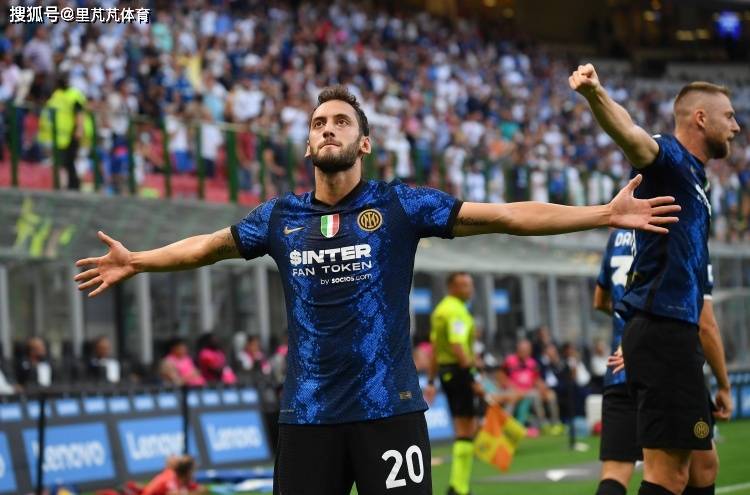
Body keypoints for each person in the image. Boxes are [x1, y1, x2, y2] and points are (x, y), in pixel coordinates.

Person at [75, 85, 678, 495]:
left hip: (389, 412)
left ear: (364, 143)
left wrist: (601, 214)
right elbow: (208, 246)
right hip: (307, 417)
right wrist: (138, 262)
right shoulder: (280, 217)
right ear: (308, 145)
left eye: (340, 121)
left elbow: (504, 215)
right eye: (318, 123)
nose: (327, 129)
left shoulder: (399, 205)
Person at [571, 64, 737, 495]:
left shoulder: (695, 181)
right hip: (664, 331)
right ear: (701, 118)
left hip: (669, 333)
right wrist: (595, 94)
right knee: (668, 475)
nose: (736, 126)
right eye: (729, 116)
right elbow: (631, 134)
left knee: (702, 467)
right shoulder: (670, 160)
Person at [594, 229, 731, 495]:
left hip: (620, 370)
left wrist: (630, 326)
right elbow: (706, 325)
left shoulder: (617, 237)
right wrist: (723, 385)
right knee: (684, 472)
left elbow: (599, 300)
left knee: (615, 474)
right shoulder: (683, 236)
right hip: (664, 362)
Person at [426, 272, 482, 495]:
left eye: (470, 284)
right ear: (452, 287)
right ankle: (459, 487)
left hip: (447, 373)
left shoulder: (441, 310)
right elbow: (457, 346)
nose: (470, 289)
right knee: (466, 428)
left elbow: (435, 349)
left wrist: (431, 380)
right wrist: (474, 377)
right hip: (460, 373)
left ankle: (460, 485)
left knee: (464, 426)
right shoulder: (456, 311)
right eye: (464, 285)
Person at [141, 454, 206, 495]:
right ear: (188, 472)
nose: (194, 474)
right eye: (193, 470)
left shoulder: (182, 480)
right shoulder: (170, 479)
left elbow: (201, 490)